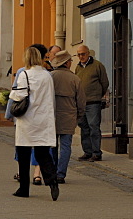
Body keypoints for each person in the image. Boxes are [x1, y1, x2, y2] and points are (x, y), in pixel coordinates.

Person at [9, 45, 59, 201]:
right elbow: (51, 98)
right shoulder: (47, 76)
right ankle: (52, 182)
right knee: (43, 154)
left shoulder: (24, 74)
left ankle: (24, 188)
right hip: (44, 119)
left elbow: (18, 96)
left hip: (27, 120)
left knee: (23, 156)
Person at [49, 49, 85, 184]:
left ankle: (52, 171)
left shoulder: (50, 76)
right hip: (69, 115)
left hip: (52, 116)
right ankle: (61, 174)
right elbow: (81, 100)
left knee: (52, 145)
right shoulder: (75, 78)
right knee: (65, 146)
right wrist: (79, 115)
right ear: (66, 63)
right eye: (70, 60)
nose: (71, 62)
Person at [74, 44, 109, 162]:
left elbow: (104, 82)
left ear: (88, 53)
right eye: (78, 55)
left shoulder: (97, 66)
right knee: (84, 127)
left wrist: (98, 94)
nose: (81, 57)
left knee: (93, 126)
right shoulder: (78, 68)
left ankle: (96, 153)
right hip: (81, 103)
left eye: (83, 54)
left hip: (93, 102)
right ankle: (87, 152)